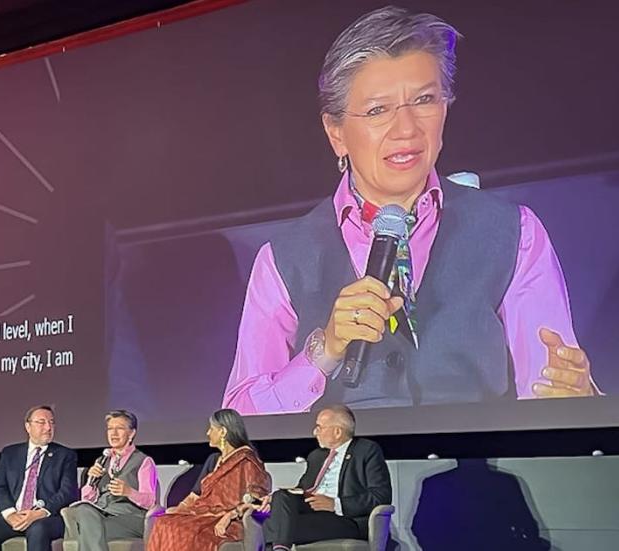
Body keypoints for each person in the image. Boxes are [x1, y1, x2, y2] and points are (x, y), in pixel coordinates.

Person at [223, 5, 595, 415]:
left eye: (424, 100)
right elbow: (238, 422)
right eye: (378, 110)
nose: (407, 130)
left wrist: (575, 398)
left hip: (472, 470)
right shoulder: (283, 259)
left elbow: (551, 394)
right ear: (336, 133)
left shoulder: (513, 233)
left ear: (446, 109)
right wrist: (323, 351)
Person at [254, 405, 391, 550]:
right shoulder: (316, 456)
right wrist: (274, 500)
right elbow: (301, 490)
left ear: (337, 432)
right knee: (281, 498)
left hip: (346, 520)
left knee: (276, 525)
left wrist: (335, 504)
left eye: (320, 427)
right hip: (314, 514)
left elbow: (381, 496)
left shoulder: (367, 450)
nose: (315, 432)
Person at [147, 409, 269, 551]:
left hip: (229, 519)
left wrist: (229, 516)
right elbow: (196, 494)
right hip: (202, 513)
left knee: (186, 532)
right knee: (163, 521)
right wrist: (179, 509)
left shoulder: (248, 461)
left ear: (223, 432)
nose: (207, 433)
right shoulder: (213, 460)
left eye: (211, 429)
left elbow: (257, 499)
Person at [0, 406, 79, 551]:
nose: (48, 427)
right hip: (16, 514)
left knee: (37, 529)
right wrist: (10, 513)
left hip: (48, 517)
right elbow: (0, 487)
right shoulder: (10, 453)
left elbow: (67, 492)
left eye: (51, 422)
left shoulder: (65, 455)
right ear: (28, 426)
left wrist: (40, 512)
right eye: (41, 422)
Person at [65, 410, 158, 550]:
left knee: (88, 530)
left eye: (119, 428)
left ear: (131, 433)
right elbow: (88, 498)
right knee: (83, 510)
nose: (113, 434)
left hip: (131, 517)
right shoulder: (102, 460)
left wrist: (129, 492)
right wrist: (91, 481)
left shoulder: (144, 461)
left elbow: (150, 501)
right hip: (102, 514)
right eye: (110, 429)